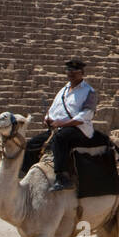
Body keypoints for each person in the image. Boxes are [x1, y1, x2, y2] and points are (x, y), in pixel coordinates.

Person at [44, 59, 97, 192]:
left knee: (60, 138)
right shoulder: (63, 90)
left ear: (82, 73)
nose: (71, 74)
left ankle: (62, 177)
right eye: (69, 71)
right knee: (33, 144)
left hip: (80, 130)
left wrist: (62, 123)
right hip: (60, 129)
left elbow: (85, 116)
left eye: (75, 71)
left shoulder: (89, 91)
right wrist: (48, 119)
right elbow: (52, 110)